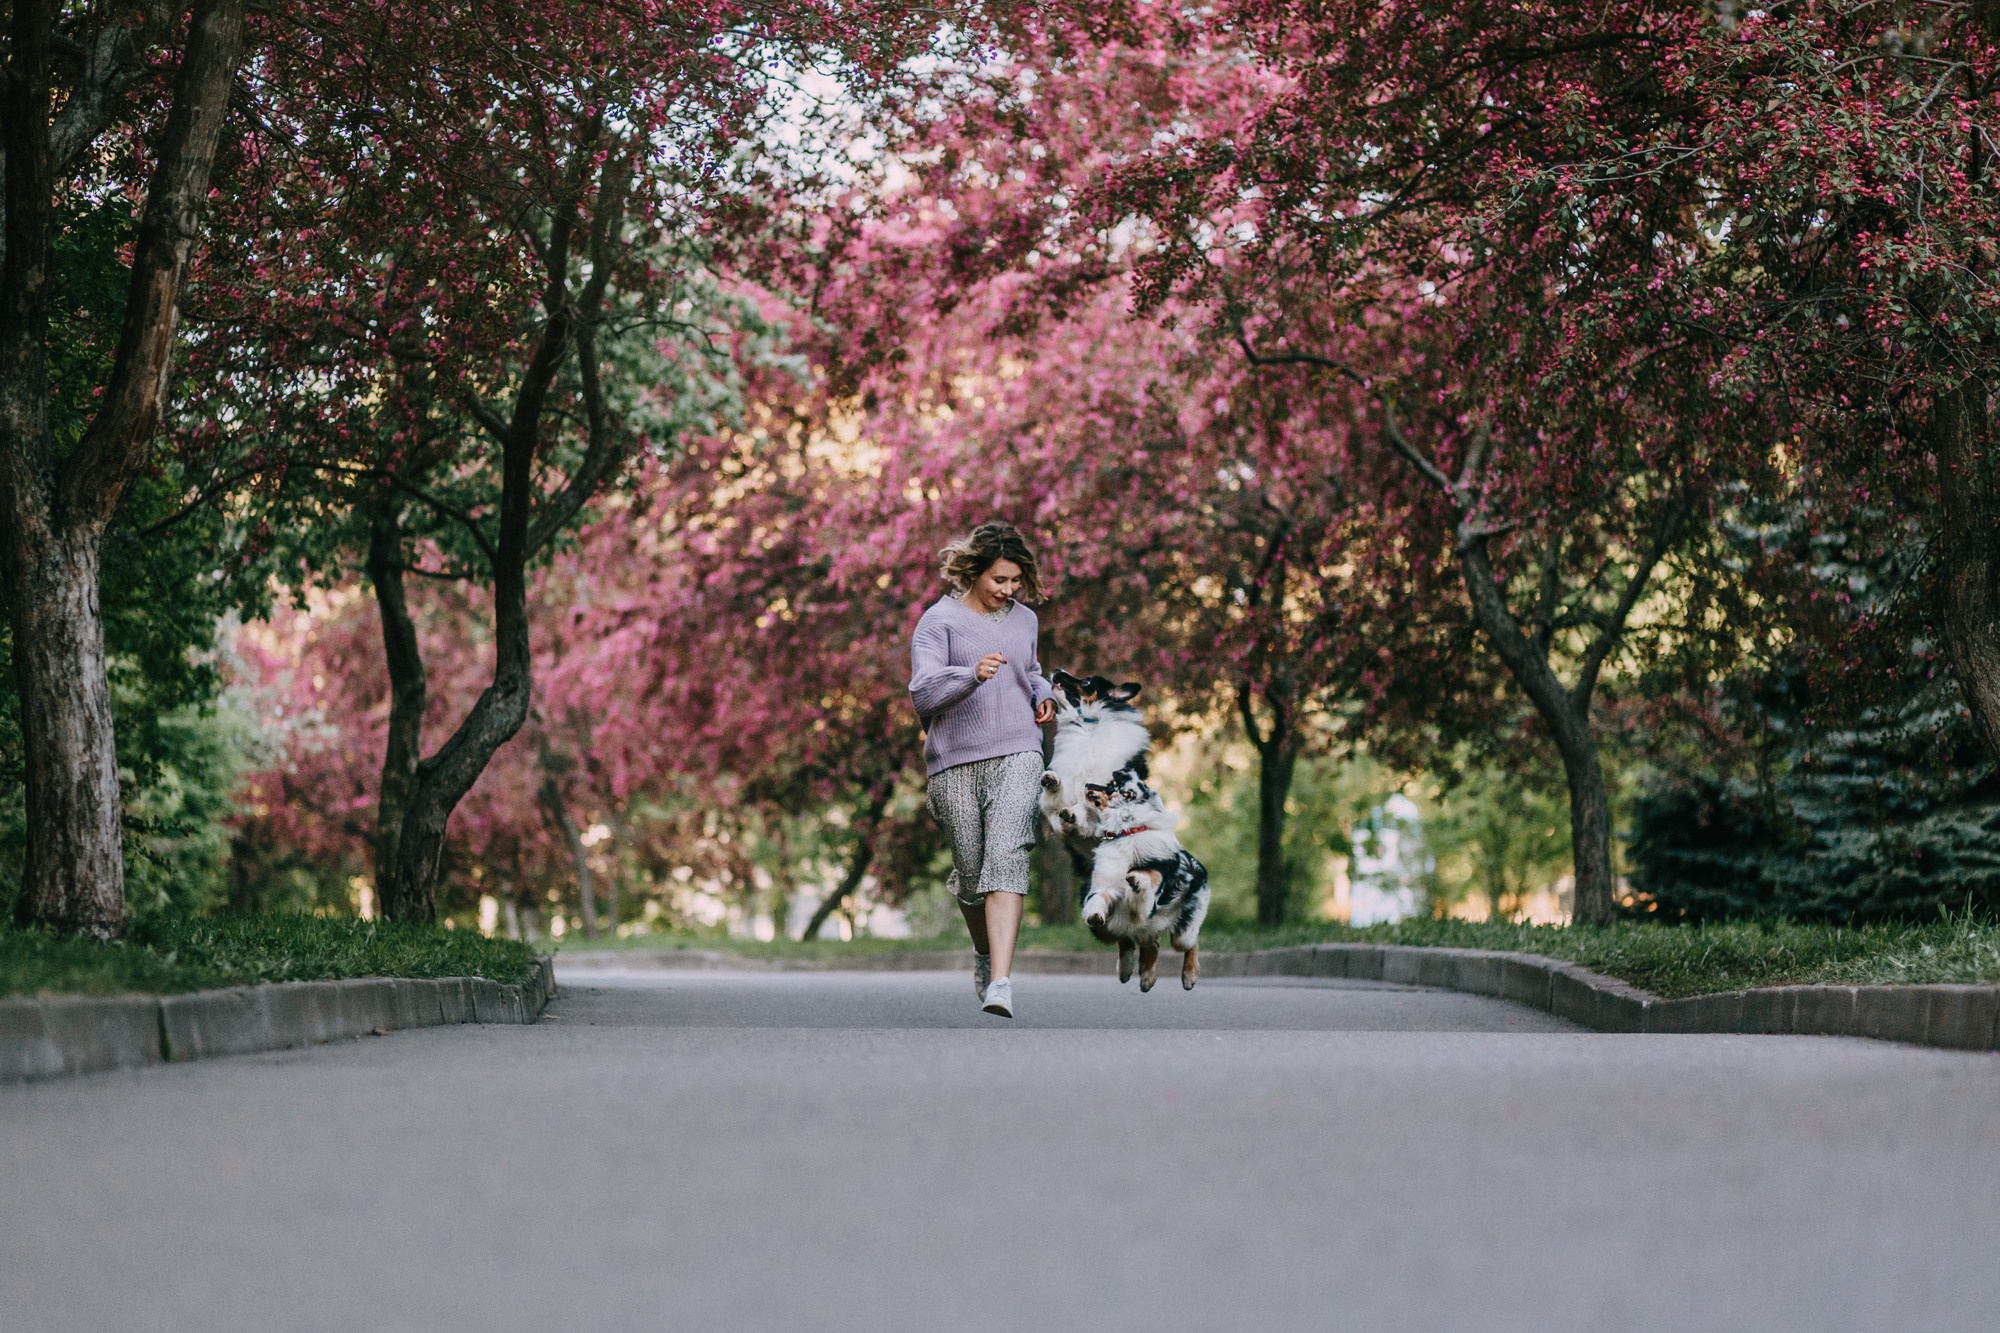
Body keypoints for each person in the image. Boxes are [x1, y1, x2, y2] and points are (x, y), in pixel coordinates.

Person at [908, 522, 1057, 1017]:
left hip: (1019, 750)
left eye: (1015, 581)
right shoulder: (938, 622)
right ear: (974, 572)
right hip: (954, 761)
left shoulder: (1025, 620)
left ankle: (1001, 983)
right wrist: (969, 675)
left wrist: (1043, 694)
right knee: (972, 879)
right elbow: (922, 692)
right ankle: (983, 953)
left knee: (1006, 857)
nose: (1008, 591)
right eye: (999, 580)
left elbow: (1030, 671)